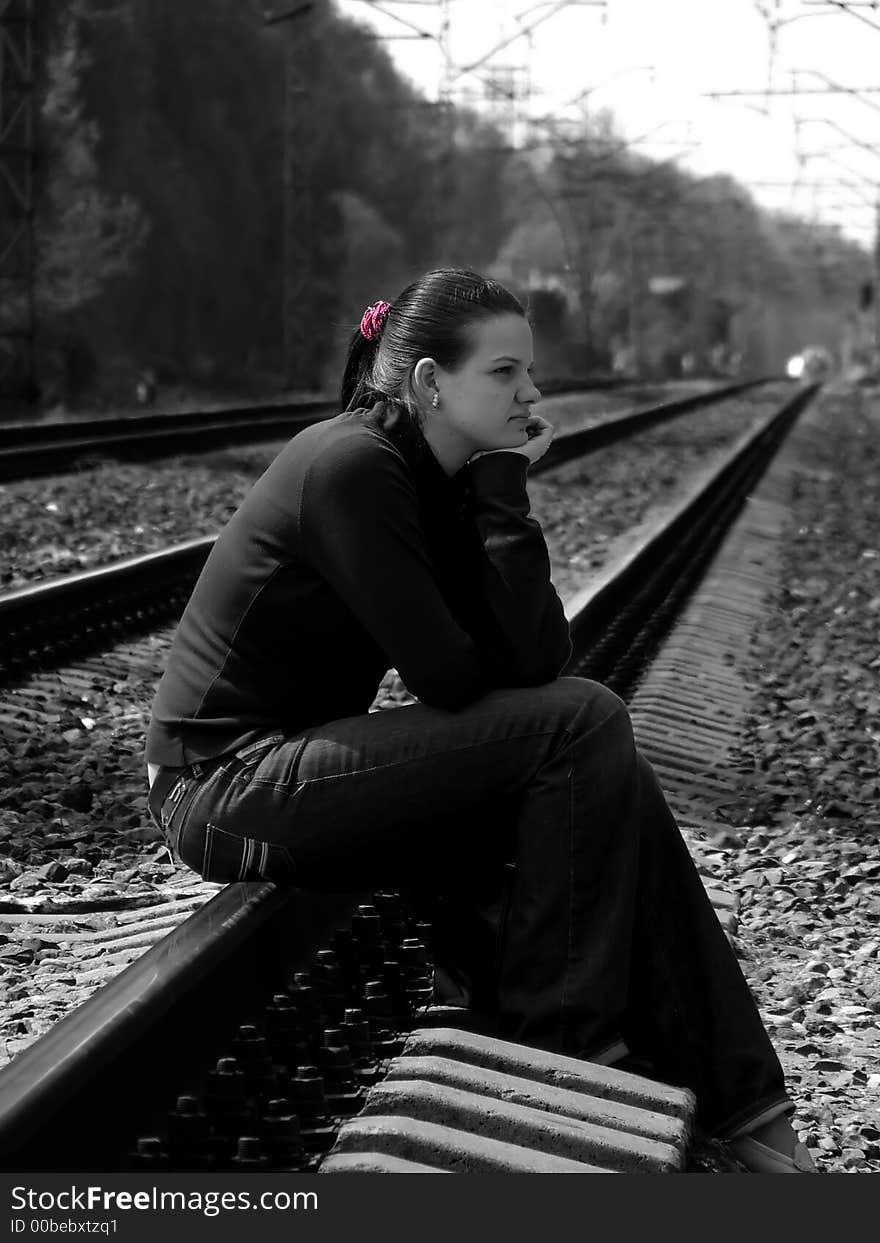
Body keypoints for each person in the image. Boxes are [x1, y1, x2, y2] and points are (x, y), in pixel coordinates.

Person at [145, 267, 814, 1174]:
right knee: (583, 729)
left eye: (527, 372)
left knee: (606, 774)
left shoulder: (434, 475)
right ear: (427, 382)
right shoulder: (350, 465)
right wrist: (497, 493)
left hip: (278, 769)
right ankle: (563, 1056)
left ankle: (743, 1102)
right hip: (218, 784)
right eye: (504, 373)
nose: (532, 392)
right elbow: (452, 677)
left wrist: (497, 493)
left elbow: (538, 659)